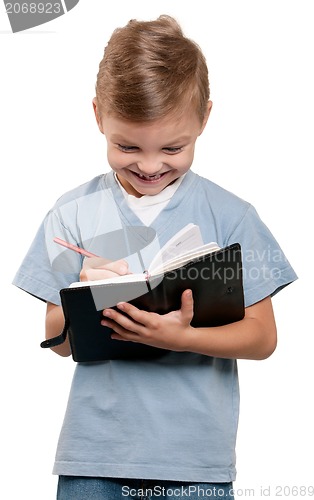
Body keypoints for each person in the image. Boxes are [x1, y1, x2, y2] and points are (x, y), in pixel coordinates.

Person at [13, 14, 297, 500]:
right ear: (98, 115)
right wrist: (82, 296)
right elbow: (58, 342)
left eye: (172, 147)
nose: (149, 165)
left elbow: (263, 338)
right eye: (126, 146)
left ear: (204, 119)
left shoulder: (232, 217)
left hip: (195, 465)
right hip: (93, 457)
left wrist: (184, 337)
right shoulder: (71, 214)